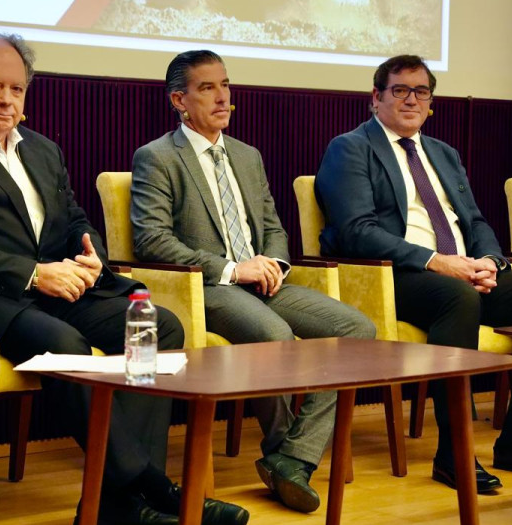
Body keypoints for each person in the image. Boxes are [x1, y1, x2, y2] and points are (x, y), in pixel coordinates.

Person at [0, 35, 248, 525]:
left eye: (17, 89)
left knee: (157, 326)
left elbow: (76, 217)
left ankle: (117, 504)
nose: (7, 100)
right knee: (65, 343)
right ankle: (149, 487)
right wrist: (35, 274)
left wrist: (89, 255)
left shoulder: (41, 148)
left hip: (64, 287)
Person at [313, 54, 512, 493]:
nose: (411, 100)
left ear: (431, 102)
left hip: (460, 270)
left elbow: (473, 222)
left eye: (421, 92)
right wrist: (437, 262)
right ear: (375, 98)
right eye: (400, 90)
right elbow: (357, 232)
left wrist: (490, 261)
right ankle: (453, 454)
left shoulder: (443, 153)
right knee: (460, 298)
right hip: (396, 275)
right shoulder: (351, 147)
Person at [130, 49, 376, 513]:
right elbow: (151, 240)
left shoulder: (247, 155)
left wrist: (275, 264)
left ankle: (293, 456)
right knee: (274, 335)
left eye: (225, 85)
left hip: (264, 282)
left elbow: (275, 227)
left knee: (357, 332)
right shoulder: (158, 157)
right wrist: (230, 269)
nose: (223, 97)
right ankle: (286, 453)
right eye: (208, 88)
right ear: (179, 100)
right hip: (208, 288)